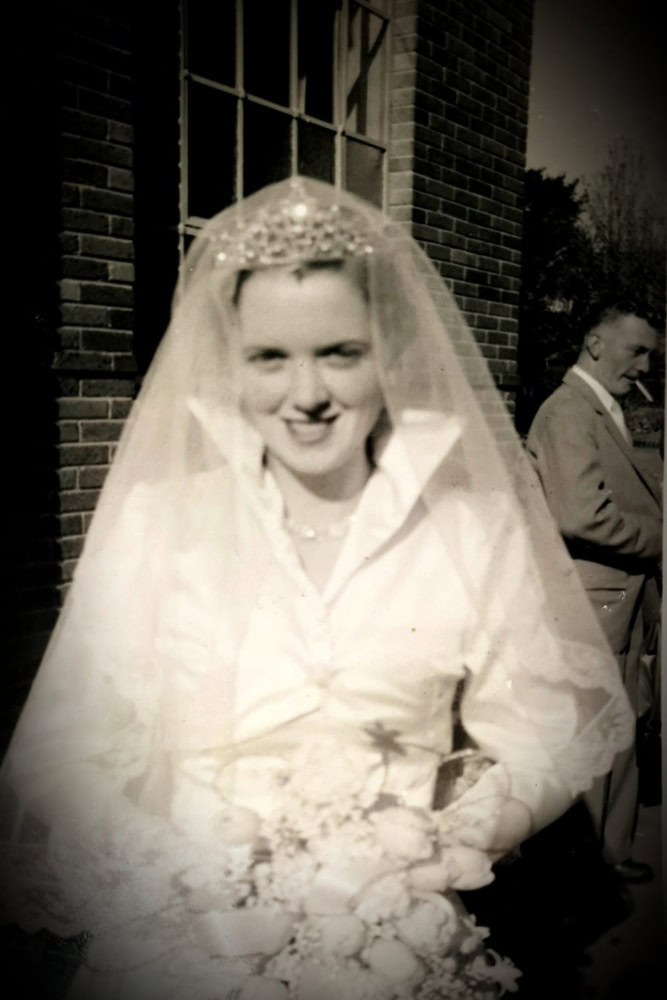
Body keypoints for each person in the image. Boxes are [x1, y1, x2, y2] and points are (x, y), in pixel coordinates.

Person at [0, 178, 634, 1000]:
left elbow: (546, 728)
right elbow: (63, 750)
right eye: (270, 356)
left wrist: (461, 835)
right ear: (231, 365)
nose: (306, 396)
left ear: (390, 356)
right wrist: (169, 865)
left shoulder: (471, 529)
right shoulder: (160, 522)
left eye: (339, 352)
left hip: (395, 947)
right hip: (179, 950)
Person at [526, 300, 662, 883]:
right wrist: (658, 540)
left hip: (617, 595)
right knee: (591, 730)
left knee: (622, 720)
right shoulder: (568, 413)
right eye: (638, 352)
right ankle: (581, 869)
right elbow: (582, 516)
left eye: (653, 356)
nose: (646, 368)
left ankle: (610, 851)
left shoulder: (602, 410)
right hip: (592, 599)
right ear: (595, 343)